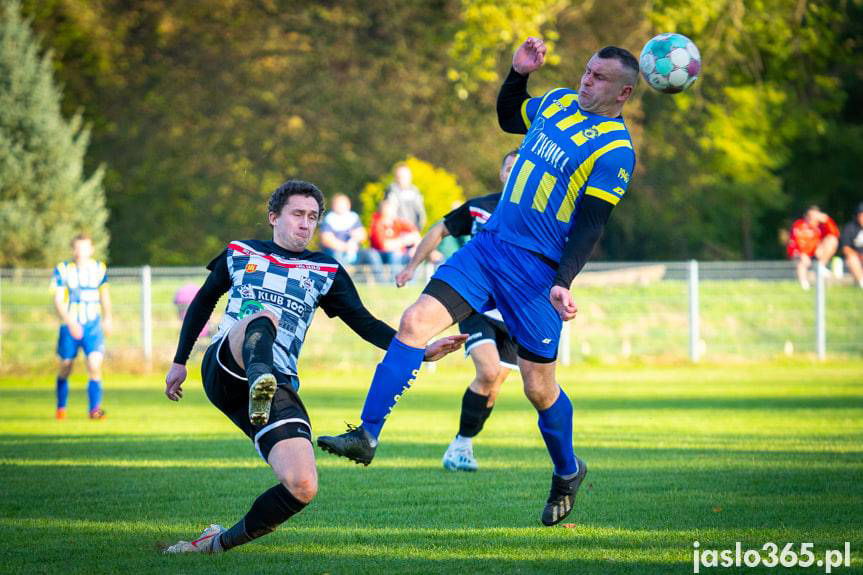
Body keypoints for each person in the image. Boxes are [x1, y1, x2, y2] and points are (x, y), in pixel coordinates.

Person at [318, 37, 638, 527]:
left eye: (598, 77)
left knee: (538, 387)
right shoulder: (556, 102)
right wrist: (517, 73)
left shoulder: (615, 152)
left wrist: (562, 281)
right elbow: (510, 118)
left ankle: (567, 470)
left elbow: (591, 225)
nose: (586, 79)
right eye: (587, 70)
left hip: (535, 272)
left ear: (624, 94)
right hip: (488, 249)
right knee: (413, 322)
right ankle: (367, 433)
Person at [162, 180, 465, 554]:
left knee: (302, 485)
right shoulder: (241, 251)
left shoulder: (326, 269)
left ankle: (215, 544)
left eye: (313, 217)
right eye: (297, 214)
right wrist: (179, 361)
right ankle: (261, 381)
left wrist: (417, 351)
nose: (306, 224)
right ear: (274, 216)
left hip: (279, 383)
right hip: (228, 363)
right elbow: (203, 302)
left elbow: (363, 322)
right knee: (265, 316)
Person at [395, 149, 519, 472]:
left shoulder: (540, 213)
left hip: (516, 313)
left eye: (520, 167)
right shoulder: (480, 208)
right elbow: (439, 229)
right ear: (502, 174)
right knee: (488, 371)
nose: (514, 171)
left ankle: (461, 443)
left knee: (492, 387)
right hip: (476, 302)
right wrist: (411, 266)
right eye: (508, 166)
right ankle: (462, 445)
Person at [51, 233, 112, 420]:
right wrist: (70, 322)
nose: (81, 252)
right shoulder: (63, 269)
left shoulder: (99, 269)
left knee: (94, 365)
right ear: (73, 249)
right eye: (77, 248)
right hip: (69, 326)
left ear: (91, 249)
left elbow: (104, 295)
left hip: (92, 325)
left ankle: (94, 410)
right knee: (65, 366)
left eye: (85, 248)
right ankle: (61, 407)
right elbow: (58, 300)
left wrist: (108, 317)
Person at [319, 193, 384, 281]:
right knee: (337, 256)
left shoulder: (353, 217)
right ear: (334, 205)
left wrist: (355, 238)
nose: (342, 207)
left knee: (372, 253)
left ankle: (382, 281)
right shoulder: (329, 219)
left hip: (355, 252)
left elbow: (363, 235)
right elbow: (326, 239)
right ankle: (342, 283)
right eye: (339, 204)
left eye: (344, 204)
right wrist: (346, 247)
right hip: (337, 253)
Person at [787, 206, 840, 290]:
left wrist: (827, 220)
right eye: (811, 216)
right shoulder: (799, 225)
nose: (813, 219)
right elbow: (796, 241)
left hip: (816, 253)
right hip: (801, 254)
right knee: (803, 262)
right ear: (806, 216)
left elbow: (835, 234)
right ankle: (804, 285)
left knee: (832, 240)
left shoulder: (821, 226)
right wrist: (802, 253)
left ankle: (821, 266)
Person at [369, 199, 422, 267]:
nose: (395, 212)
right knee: (395, 255)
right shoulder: (377, 224)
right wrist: (404, 240)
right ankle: (394, 278)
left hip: (399, 254)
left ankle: (411, 277)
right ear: (384, 211)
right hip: (382, 255)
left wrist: (414, 248)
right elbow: (385, 246)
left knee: (415, 256)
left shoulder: (397, 222)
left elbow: (416, 234)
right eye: (392, 210)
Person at [385, 162, 427, 230]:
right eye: (399, 176)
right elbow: (389, 212)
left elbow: (421, 211)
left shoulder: (415, 190)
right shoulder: (392, 190)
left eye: (404, 176)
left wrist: (419, 227)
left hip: (413, 229)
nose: (402, 179)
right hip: (397, 230)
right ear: (395, 177)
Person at [840, 202, 863, 289]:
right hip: (854, 257)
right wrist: (859, 255)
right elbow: (845, 248)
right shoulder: (850, 228)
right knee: (852, 258)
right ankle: (861, 283)